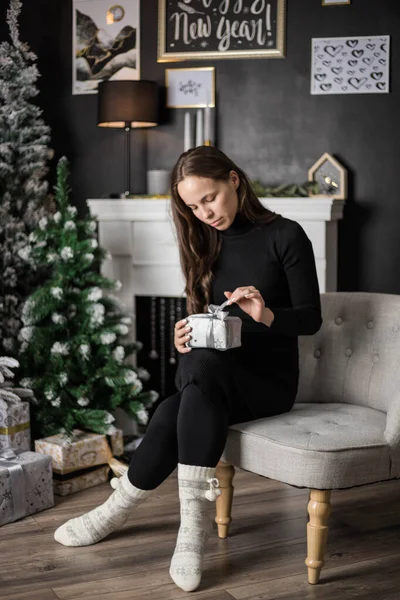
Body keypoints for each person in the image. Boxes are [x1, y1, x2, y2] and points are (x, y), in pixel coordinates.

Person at [54, 146, 322, 592]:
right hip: (213, 377)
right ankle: (185, 530)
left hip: (268, 381)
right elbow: (202, 317)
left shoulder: (287, 235)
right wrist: (183, 338)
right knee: (190, 390)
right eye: (193, 207)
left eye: (210, 198)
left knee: (182, 398)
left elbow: (310, 320)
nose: (204, 213)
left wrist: (265, 314)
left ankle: (122, 510)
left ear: (234, 180)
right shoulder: (202, 239)